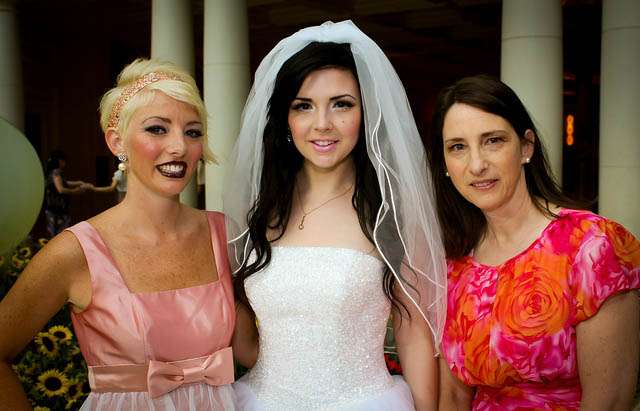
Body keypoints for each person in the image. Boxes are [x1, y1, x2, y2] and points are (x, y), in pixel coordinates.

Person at [224, 20, 446, 410]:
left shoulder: (388, 214)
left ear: (366, 112)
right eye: (303, 106)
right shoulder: (259, 212)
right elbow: (244, 341)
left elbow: (413, 332)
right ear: (286, 119)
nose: (322, 124)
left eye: (341, 104)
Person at [0, 58, 237, 410]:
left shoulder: (225, 234)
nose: (179, 146)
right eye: (157, 129)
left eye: (192, 131)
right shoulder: (76, 251)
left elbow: (259, 345)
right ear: (116, 141)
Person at [428, 75, 640, 410]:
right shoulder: (452, 266)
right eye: (458, 147)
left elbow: (610, 402)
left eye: (493, 141)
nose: (477, 165)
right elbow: (453, 397)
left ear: (526, 147)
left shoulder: (592, 246)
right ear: (444, 164)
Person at [43, 150, 91, 236]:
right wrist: (75, 191)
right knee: (59, 234)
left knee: (56, 233)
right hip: (57, 209)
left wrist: (78, 182)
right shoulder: (56, 172)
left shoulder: (52, 172)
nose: (65, 163)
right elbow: (60, 189)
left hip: (54, 209)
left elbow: (62, 183)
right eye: (63, 161)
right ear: (59, 161)